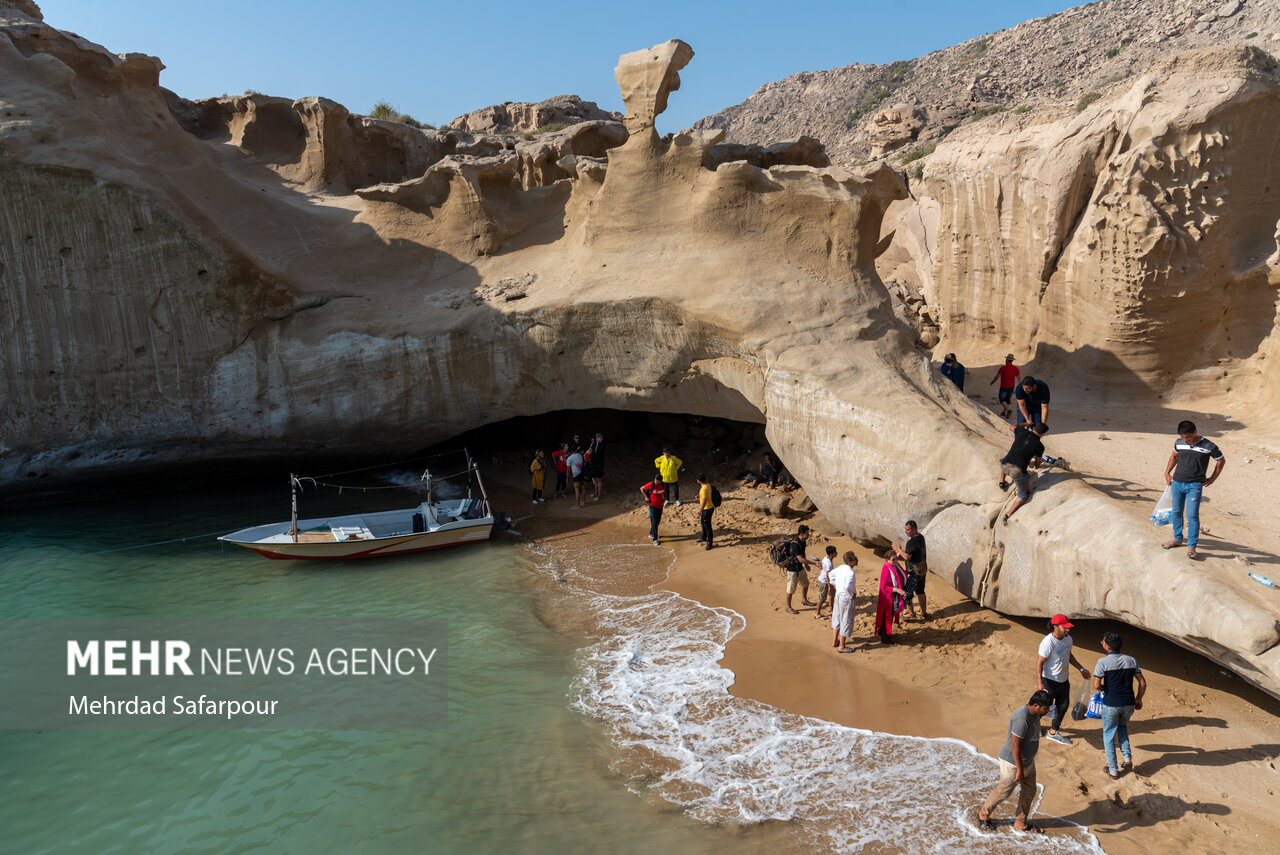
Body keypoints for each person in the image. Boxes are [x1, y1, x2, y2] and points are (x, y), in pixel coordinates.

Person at [977, 690, 1054, 834]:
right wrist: (1019, 770)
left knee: (1030, 791)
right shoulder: (1021, 719)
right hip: (1012, 763)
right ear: (1036, 705)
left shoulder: (1036, 714)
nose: (1048, 710)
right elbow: (1015, 745)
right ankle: (983, 814)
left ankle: (1020, 822)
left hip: (1028, 761)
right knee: (1003, 792)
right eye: (1046, 708)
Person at [1162, 419, 1225, 561]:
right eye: (1183, 437)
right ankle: (1177, 539)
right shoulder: (1179, 442)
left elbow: (1221, 460)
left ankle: (1191, 547)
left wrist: (1213, 478)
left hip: (1194, 486)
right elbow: (1174, 456)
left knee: (1192, 516)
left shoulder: (1209, 445)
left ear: (1195, 432)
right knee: (1176, 512)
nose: (1186, 440)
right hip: (1177, 482)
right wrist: (1167, 473)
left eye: (1188, 437)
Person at [1093, 631, 1146, 780]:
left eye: (1103, 641)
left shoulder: (1102, 662)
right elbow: (1142, 682)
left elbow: (1096, 685)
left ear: (1107, 646)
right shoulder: (1131, 660)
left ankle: (1113, 770)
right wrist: (1138, 699)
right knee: (1122, 727)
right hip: (1129, 702)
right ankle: (1127, 758)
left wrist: (1105, 689)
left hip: (1111, 703)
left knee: (1108, 735)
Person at [1035, 614, 1090, 745]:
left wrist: (1081, 669)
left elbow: (1069, 655)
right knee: (1043, 707)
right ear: (1055, 627)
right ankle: (1033, 727)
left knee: (1063, 706)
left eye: (1069, 628)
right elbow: (1039, 663)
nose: (1068, 630)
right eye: (1064, 628)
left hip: (1063, 680)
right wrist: (1039, 682)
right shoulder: (1048, 642)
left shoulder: (1068, 639)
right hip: (1048, 679)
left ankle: (1053, 732)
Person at [998, 423, 1050, 524]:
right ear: (1043, 434)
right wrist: (1037, 466)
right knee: (1023, 494)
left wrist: (1024, 424)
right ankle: (1008, 515)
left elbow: (1011, 427)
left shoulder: (1021, 432)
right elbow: (1037, 462)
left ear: (1033, 428)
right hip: (1017, 472)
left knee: (1003, 460)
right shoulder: (1039, 446)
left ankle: (1002, 481)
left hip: (1005, 465)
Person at [891, 520, 929, 620]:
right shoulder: (920, 537)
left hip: (913, 571)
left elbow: (907, 557)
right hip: (922, 569)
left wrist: (898, 549)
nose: (906, 532)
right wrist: (900, 551)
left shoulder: (911, 542)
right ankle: (923, 612)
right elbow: (912, 553)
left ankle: (911, 613)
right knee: (920, 590)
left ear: (914, 529)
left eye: (908, 530)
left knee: (907, 592)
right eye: (905, 530)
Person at [783, 525, 819, 614]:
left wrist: (806, 565)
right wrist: (814, 563)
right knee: (790, 590)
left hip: (800, 568)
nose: (808, 535)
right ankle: (788, 607)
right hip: (792, 570)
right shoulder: (795, 544)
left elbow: (803, 553)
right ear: (802, 534)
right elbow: (800, 559)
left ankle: (804, 600)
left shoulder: (803, 541)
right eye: (807, 533)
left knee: (805, 584)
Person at [874, 554, 908, 643]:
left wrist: (909, 572)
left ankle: (881, 631)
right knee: (888, 616)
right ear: (887, 560)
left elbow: (901, 574)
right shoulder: (886, 569)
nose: (896, 561)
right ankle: (885, 639)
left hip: (894, 595)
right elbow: (884, 587)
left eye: (896, 559)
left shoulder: (895, 566)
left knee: (888, 616)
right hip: (888, 597)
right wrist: (896, 589)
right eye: (893, 559)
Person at [830, 551, 858, 652]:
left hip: (838, 595)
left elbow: (831, 575)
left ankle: (835, 641)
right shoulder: (850, 572)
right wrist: (852, 594)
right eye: (855, 559)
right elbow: (847, 586)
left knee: (837, 616)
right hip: (846, 598)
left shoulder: (841, 567)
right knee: (846, 619)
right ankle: (841, 646)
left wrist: (836, 585)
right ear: (850, 561)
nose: (856, 560)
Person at [640, 470, 668, 545]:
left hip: (660, 505)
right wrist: (646, 497)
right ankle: (655, 539)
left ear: (660, 481)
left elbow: (665, 492)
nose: (656, 482)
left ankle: (651, 533)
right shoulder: (651, 484)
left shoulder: (663, 485)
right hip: (652, 506)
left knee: (658, 521)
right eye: (655, 480)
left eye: (657, 481)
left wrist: (665, 498)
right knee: (654, 522)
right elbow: (641, 488)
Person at [990, 354, 1021, 419]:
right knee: (1007, 400)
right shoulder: (1015, 368)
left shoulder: (1003, 368)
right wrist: (1021, 384)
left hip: (1004, 386)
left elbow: (998, 376)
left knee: (1002, 400)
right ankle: (1004, 412)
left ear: (1006, 360)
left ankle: (1008, 410)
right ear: (1012, 361)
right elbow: (1019, 377)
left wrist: (993, 381)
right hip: (1011, 387)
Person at [815, 545, 838, 620]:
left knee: (832, 593)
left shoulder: (826, 558)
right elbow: (827, 575)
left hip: (825, 580)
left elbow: (822, 566)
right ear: (831, 554)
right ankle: (817, 613)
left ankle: (830, 607)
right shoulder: (829, 563)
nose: (836, 553)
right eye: (835, 552)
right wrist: (829, 586)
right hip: (824, 581)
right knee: (822, 598)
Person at [695, 473, 716, 550]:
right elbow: (706, 496)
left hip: (707, 508)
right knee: (703, 522)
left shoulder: (704, 488)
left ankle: (709, 542)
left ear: (699, 481)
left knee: (708, 526)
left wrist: (699, 512)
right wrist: (699, 496)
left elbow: (704, 502)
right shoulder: (707, 485)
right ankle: (703, 537)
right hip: (709, 507)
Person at [586, 433, 605, 501]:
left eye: (602, 438)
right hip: (593, 464)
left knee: (598, 479)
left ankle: (599, 495)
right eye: (600, 438)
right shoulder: (593, 444)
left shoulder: (602, 445)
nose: (602, 439)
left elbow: (598, 454)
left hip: (599, 465)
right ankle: (596, 493)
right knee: (594, 479)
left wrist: (592, 453)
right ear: (597, 438)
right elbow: (589, 451)